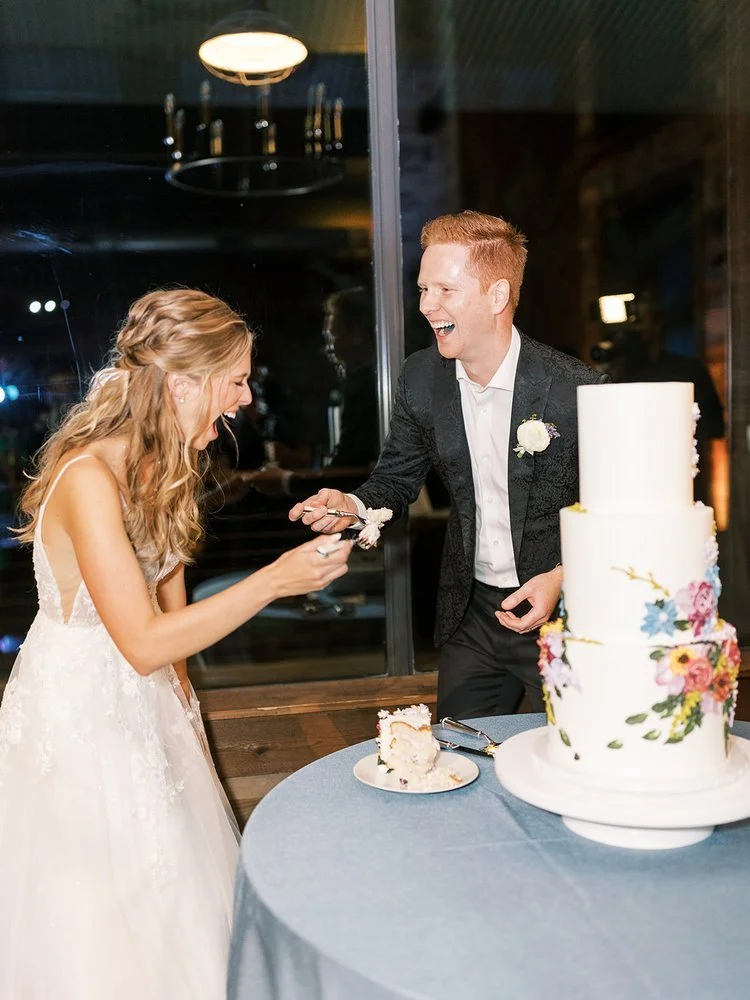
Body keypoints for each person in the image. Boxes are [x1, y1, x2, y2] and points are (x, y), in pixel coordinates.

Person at [0, 289, 351, 999]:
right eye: (237, 379)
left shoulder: (166, 465)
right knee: (100, 912)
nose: (246, 397)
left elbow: (171, 593)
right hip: (78, 717)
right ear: (185, 383)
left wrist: (183, 702)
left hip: (148, 699)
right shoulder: (89, 479)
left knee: (178, 891)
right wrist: (274, 580)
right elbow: (138, 641)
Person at [291, 211, 607, 719]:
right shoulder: (421, 377)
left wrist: (563, 576)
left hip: (566, 616)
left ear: (497, 297)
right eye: (422, 289)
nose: (426, 305)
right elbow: (395, 478)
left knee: (578, 761)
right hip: (474, 615)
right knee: (460, 754)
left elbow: (616, 511)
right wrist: (349, 505)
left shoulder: (576, 390)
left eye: (444, 290)